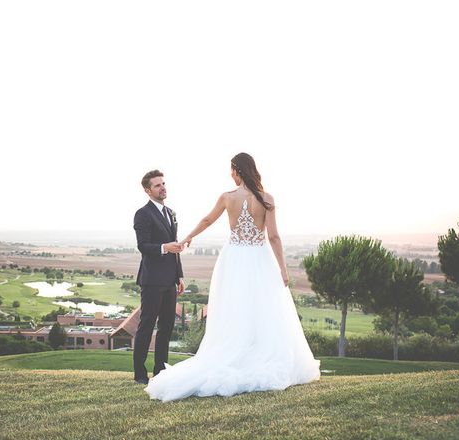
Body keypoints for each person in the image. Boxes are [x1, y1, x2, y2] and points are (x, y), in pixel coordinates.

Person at [144, 153, 320, 401]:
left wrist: (188, 238)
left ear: (238, 170)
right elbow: (274, 237)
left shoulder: (228, 198)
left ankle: (233, 355)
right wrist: (283, 268)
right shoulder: (266, 199)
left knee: (234, 308)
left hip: (234, 259)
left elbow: (207, 219)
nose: (230, 174)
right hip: (260, 259)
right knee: (264, 309)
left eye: (231, 169)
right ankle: (256, 356)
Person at [133, 170, 186, 384]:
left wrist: (179, 276)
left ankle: (161, 372)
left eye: (163, 183)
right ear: (148, 190)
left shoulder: (171, 212)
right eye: (157, 185)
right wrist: (165, 247)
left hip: (170, 280)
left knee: (166, 328)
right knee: (146, 326)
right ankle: (139, 374)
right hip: (152, 280)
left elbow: (176, 247)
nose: (163, 187)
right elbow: (143, 245)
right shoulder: (142, 214)